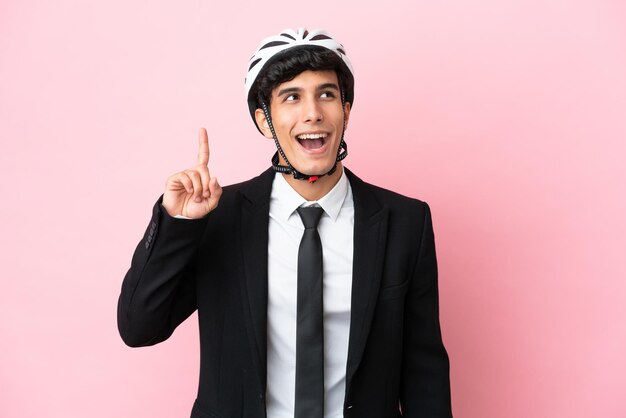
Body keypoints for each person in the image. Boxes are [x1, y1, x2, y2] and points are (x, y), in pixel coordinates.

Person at [117, 28, 452, 418]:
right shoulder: (219, 218)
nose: (313, 112)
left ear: (345, 110)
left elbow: (423, 373)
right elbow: (139, 327)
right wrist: (178, 224)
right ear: (264, 120)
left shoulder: (405, 222)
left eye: (326, 94)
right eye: (292, 97)